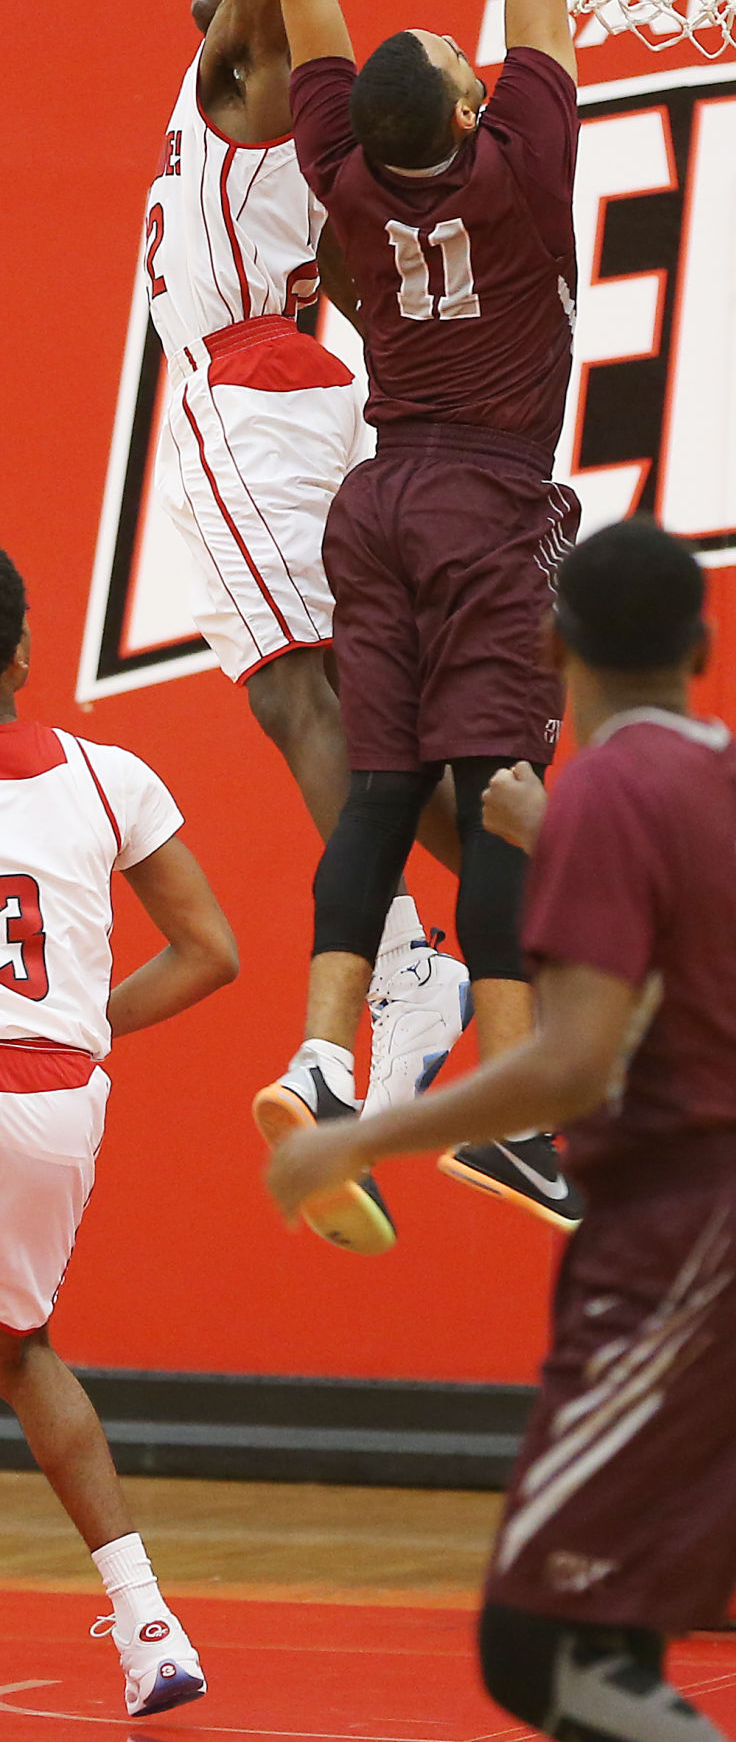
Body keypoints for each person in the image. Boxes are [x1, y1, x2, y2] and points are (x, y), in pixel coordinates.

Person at [264, 518, 736, 1742]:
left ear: (547, 642)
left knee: (529, 1643)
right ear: (701, 641)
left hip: (676, 1227)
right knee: (609, 1640)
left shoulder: (603, 791)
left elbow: (574, 1064)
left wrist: (364, 1138)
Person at [208, 0, 583, 1248]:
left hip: (378, 498)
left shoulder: (347, 168)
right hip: (489, 505)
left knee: (376, 790)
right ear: (474, 100)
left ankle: (322, 1045)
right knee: (498, 789)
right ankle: (517, 1116)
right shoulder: (522, 173)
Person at [148, 0, 469, 1253]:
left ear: (278, 8)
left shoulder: (247, 86)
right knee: (387, 717)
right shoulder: (242, 112)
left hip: (258, 405)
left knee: (298, 693)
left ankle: (404, 959)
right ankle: (533, 928)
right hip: (307, 398)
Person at [0, 548, 238, 1715]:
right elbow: (212, 953)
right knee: (19, 1348)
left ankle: (149, 1622)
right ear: (26, 654)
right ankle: (148, 1624)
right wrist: (85, 1031)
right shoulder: (108, 776)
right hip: (53, 1102)